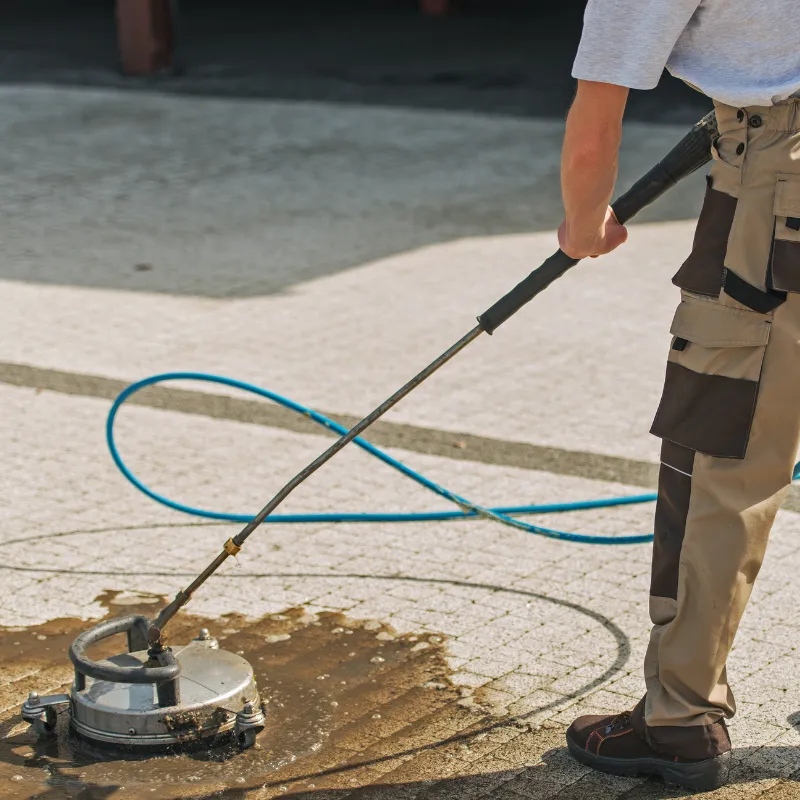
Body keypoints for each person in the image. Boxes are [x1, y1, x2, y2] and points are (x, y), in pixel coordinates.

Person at [559, 0, 800, 792]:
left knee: (722, 454)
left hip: (775, 185)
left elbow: (597, 119)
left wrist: (582, 221)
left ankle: (678, 718)